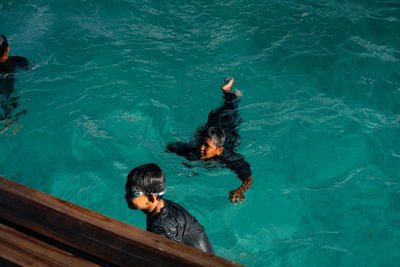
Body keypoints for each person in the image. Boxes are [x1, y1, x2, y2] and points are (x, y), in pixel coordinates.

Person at [166, 77, 253, 205]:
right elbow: (170, 147)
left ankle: (229, 92)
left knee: (232, 108)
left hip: (228, 127)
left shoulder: (229, 157)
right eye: (201, 144)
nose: (201, 148)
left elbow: (248, 178)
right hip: (211, 126)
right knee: (214, 118)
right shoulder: (192, 147)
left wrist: (240, 190)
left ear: (219, 151)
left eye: (206, 147)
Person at [124, 163, 214, 253]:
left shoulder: (160, 229)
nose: (125, 196)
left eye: (132, 193)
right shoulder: (164, 205)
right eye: (126, 188)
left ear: (151, 198)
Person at [0, 34, 29, 133]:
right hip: (6, 93)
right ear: (7, 48)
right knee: (10, 101)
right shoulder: (17, 61)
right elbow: (28, 67)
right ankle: (10, 121)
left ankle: (5, 120)